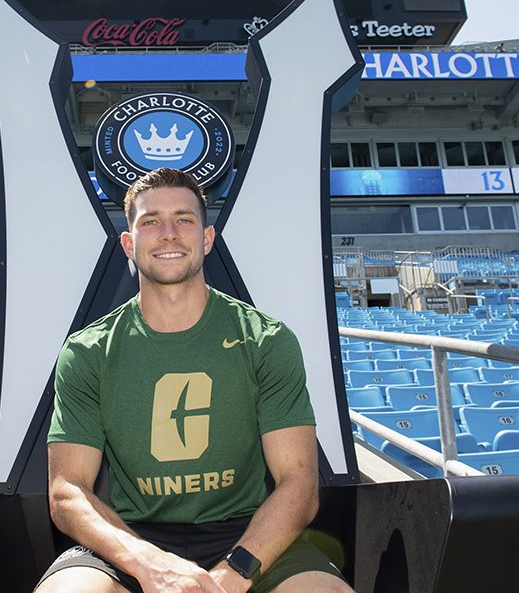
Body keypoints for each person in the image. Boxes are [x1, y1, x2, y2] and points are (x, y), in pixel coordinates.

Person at [36, 168, 353, 593]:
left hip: (249, 535)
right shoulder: (88, 351)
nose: (169, 234)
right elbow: (66, 491)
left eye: (184, 219)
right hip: (130, 536)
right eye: (150, 221)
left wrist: (232, 575)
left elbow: (299, 482)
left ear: (206, 238)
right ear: (129, 245)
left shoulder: (266, 341)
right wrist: (148, 562)